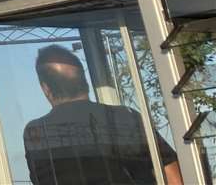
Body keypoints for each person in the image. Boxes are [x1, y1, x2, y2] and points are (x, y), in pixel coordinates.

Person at [22, 45, 181, 185]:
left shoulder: (36, 132)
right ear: (85, 82)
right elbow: (172, 176)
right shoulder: (126, 117)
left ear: (46, 89)